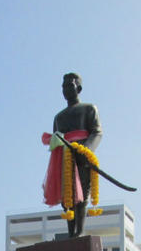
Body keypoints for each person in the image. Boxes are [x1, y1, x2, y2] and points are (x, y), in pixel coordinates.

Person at [42, 73, 103, 237]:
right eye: (64, 86)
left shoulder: (89, 109)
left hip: (82, 156)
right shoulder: (59, 117)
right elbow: (55, 139)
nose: (66, 89)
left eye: (70, 85)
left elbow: (97, 132)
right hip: (64, 157)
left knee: (82, 191)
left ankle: (80, 230)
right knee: (66, 194)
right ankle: (70, 231)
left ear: (79, 88)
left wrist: (86, 150)